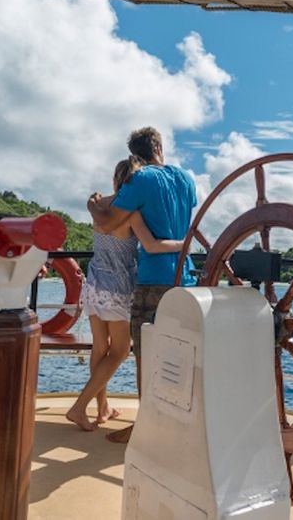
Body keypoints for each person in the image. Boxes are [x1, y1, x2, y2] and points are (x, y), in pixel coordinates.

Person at [87, 126, 196, 443]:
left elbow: (107, 222)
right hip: (185, 278)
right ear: (159, 147)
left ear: (136, 154)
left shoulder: (140, 180)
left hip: (152, 280)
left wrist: (92, 205)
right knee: (179, 353)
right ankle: (178, 423)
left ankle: (145, 426)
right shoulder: (187, 179)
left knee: (146, 355)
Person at [66, 156, 186, 431]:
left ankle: (102, 408)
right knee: (120, 351)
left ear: (114, 178)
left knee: (100, 348)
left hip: (94, 283)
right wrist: (184, 243)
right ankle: (79, 407)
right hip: (118, 288)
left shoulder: (99, 205)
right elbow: (152, 246)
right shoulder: (132, 212)